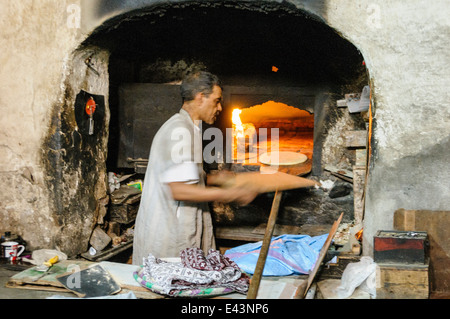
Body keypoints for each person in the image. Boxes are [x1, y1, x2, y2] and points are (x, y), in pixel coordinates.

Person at [132, 71, 257, 264]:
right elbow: (180, 189)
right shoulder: (179, 131)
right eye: (216, 101)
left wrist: (216, 178)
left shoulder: (189, 128)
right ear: (200, 97)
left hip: (174, 225)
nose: (220, 107)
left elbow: (183, 175)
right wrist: (230, 195)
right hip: (169, 235)